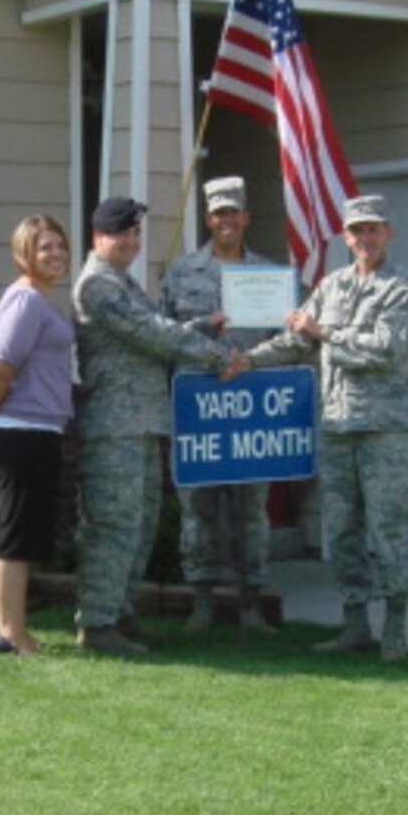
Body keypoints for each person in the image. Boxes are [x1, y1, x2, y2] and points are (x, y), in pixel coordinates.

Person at [247, 193, 408, 661]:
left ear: (388, 233)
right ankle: (354, 625)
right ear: (345, 237)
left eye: (373, 229)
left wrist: (324, 332)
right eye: (357, 230)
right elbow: (296, 340)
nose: (365, 238)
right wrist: (246, 360)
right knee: (344, 531)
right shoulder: (333, 286)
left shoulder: (401, 287)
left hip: (384, 431)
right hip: (338, 425)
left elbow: (386, 349)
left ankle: (395, 630)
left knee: (389, 530)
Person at [73, 195, 244, 656]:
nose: (130, 242)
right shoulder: (98, 286)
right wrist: (217, 354)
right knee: (113, 523)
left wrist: (203, 326)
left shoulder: (121, 281)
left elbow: (156, 326)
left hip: (141, 422)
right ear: (98, 237)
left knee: (141, 522)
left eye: (134, 234)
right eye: (121, 233)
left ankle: (121, 611)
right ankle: (96, 623)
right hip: (114, 425)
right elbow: (149, 334)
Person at [161, 175, 282, 632]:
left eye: (234, 211)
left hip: (252, 410)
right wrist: (206, 334)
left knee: (252, 510)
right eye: (218, 213)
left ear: (246, 217)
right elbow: (164, 336)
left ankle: (252, 602)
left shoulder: (269, 276)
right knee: (200, 509)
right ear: (208, 219)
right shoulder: (180, 273)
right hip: (198, 410)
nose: (227, 220)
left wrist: (248, 362)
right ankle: (203, 601)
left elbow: (285, 342)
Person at [0, 214, 74, 656]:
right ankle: (15, 633)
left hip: (33, 428)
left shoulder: (40, 300)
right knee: (14, 538)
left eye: (60, 246)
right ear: (23, 253)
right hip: (25, 430)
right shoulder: (27, 301)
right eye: (44, 247)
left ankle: (4, 627)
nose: (55, 254)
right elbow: (0, 366)